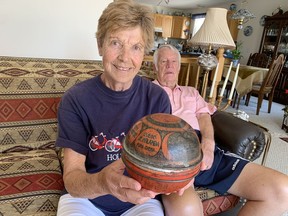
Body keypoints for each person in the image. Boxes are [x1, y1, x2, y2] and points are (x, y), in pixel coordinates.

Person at [55, 1, 200, 216]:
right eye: (115, 43)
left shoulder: (156, 98)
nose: (125, 57)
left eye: (135, 47)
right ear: (100, 45)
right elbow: (72, 180)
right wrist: (103, 183)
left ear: (144, 53)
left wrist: (179, 174)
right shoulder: (75, 100)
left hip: (140, 202)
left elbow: (166, 160)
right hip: (87, 199)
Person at [153, 44, 288, 216]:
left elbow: (204, 117)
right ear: (156, 66)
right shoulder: (146, 92)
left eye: (173, 61)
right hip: (171, 157)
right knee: (187, 210)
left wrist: (208, 144)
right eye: (164, 61)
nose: (169, 66)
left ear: (179, 66)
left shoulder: (191, 92)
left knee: (282, 191)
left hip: (205, 150)